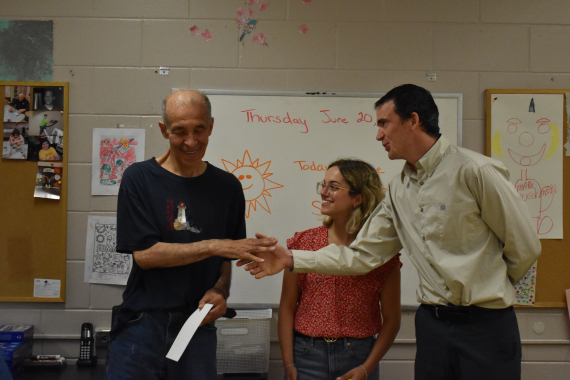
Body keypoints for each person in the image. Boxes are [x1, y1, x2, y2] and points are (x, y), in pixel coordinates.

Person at [242, 84, 542, 380]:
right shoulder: (399, 190)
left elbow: (525, 247)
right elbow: (362, 257)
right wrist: (291, 258)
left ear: (413, 120)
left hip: (486, 325)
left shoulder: (475, 171)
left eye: (384, 123)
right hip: (433, 325)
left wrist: (489, 288)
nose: (378, 134)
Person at [105, 90, 275, 380]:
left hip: (196, 327)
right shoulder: (139, 178)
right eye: (180, 131)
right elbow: (146, 255)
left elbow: (226, 259)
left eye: (199, 130)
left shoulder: (228, 187)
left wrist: (221, 291)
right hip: (143, 324)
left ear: (210, 126)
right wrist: (214, 245)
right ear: (164, 130)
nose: (191, 141)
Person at [279, 159, 401, 380]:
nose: (323, 192)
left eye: (333, 187)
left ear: (358, 198)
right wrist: (288, 364)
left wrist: (367, 367)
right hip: (307, 356)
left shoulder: (380, 252)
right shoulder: (303, 243)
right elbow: (287, 307)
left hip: (359, 356)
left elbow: (392, 319)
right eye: (323, 185)